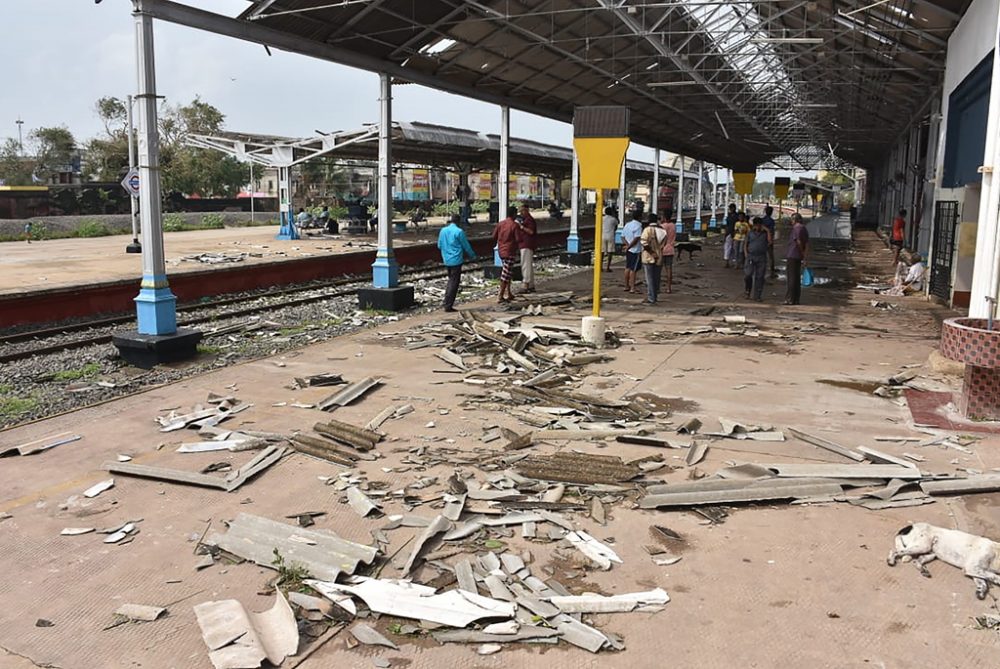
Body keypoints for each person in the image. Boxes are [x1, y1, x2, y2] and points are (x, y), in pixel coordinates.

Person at [437, 214, 476, 312]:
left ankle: (447, 302)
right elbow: (466, 246)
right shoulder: (459, 231)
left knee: (450, 280)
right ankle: (448, 305)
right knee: (453, 282)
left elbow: (439, 245)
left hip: (446, 259)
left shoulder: (443, 231)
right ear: (458, 222)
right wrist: (473, 255)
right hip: (456, 260)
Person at [492, 206, 520, 303]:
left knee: (508, 272)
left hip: (501, 251)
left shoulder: (500, 224)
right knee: (505, 274)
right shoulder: (514, 225)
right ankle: (500, 296)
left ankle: (509, 292)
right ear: (514, 214)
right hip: (510, 252)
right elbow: (518, 239)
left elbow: (494, 236)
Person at [785, 213, 809, 305]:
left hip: (792, 254)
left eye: (792, 220)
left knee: (791, 278)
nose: (791, 222)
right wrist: (804, 256)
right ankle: (796, 299)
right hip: (798, 256)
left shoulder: (796, 228)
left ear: (794, 220)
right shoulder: (804, 228)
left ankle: (790, 299)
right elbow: (807, 243)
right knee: (797, 278)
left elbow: (798, 241)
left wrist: (801, 251)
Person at [640, 214, 665, 304]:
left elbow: (643, 242)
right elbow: (663, 244)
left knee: (649, 278)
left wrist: (652, 253)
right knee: (656, 278)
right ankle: (655, 296)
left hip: (648, 257)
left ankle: (651, 298)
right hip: (659, 257)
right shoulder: (663, 231)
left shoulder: (647, 230)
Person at [744, 217, 770, 301]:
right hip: (751, 256)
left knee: (760, 277)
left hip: (761, 257)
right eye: (757, 225)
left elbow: (770, 242)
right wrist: (746, 254)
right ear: (754, 225)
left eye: (760, 225)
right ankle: (748, 290)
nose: (758, 227)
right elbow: (745, 244)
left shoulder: (765, 234)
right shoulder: (750, 233)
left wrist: (768, 231)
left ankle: (757, 295)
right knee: (748, 274)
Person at [517, 204, 537, 293]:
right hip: (526, 244)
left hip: (526, 244)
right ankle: (531, 285)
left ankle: (526, 283)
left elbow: (531, 231)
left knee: (525, 265)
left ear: (527, 210)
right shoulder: (527, 219)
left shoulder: (529, 220)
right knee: (528, 264)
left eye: (522, 211)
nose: (521, 213)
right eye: (520, 211)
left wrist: (521, 227)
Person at [621, 212, 643, 294]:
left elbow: (622, 236)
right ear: (640, 217)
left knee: (628, 267)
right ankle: (632, 287)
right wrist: (630, 246)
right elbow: (637, 238)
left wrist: (627, 246)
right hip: (635, 250)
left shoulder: (627, 224)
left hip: (629, 250)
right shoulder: (639, 226)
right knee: (633, 269)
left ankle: (626, 286)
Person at [660, 214, 676, 295]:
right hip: (670, 249)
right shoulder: (673, 226)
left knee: (658, 270)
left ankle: (657, 287)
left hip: (662, 250)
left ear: (664, 217)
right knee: (669, 269)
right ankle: (668, 288)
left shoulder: (662, 226)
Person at [761, 205, 777, 277]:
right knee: (771, 255)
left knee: (763, 255)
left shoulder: (762, 220)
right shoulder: (771, 221)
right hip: (769, 239)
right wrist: (771, 240)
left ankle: (762, 268)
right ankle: (772, 269)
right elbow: (772, 231)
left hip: (762, 239)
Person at [601, 206, 618, 271]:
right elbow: (617, 224)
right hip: (611, 236)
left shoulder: (602, 218)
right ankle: (608, 267)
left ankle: (600, 266)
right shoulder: (613, 219)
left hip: (602, 236)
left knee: (602, 252)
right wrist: (615, 215)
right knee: (610, 252)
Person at [723, 204, 738, 268]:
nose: (731, 209)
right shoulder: (729, 216)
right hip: (729, 233)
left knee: (734, 248)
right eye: (730, 208)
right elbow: (727, 225)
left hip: (735, 234)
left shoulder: (736, 216)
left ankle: (734, 262)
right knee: (728, 247)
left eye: (731, 208)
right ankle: (727, 262)